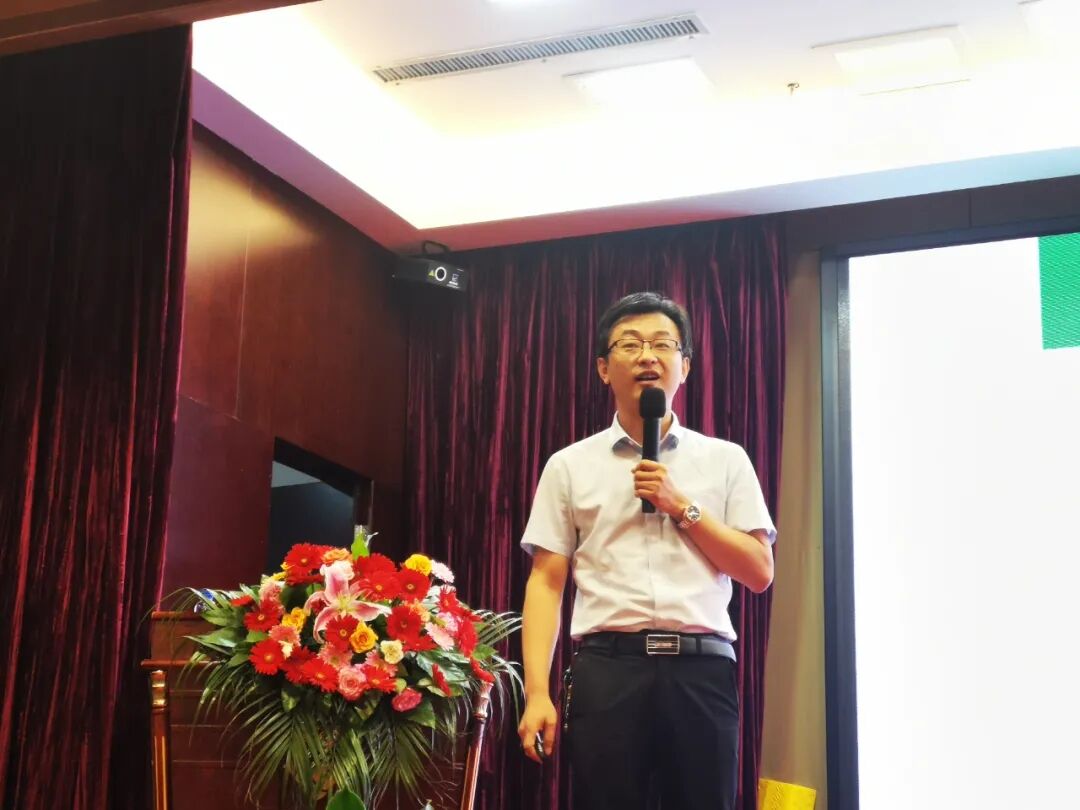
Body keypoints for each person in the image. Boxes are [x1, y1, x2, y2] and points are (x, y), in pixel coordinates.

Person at [516, 291, 776, 810]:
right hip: (608, 671)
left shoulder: (726, 460)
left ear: (685, 366)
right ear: (603, 369)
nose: (647, 356)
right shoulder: (569, 466)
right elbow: (546, 581)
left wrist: (682, 507)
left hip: (701, 671)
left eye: (662, 344)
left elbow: (758, 571)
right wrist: (537, 692)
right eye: (630, 344)